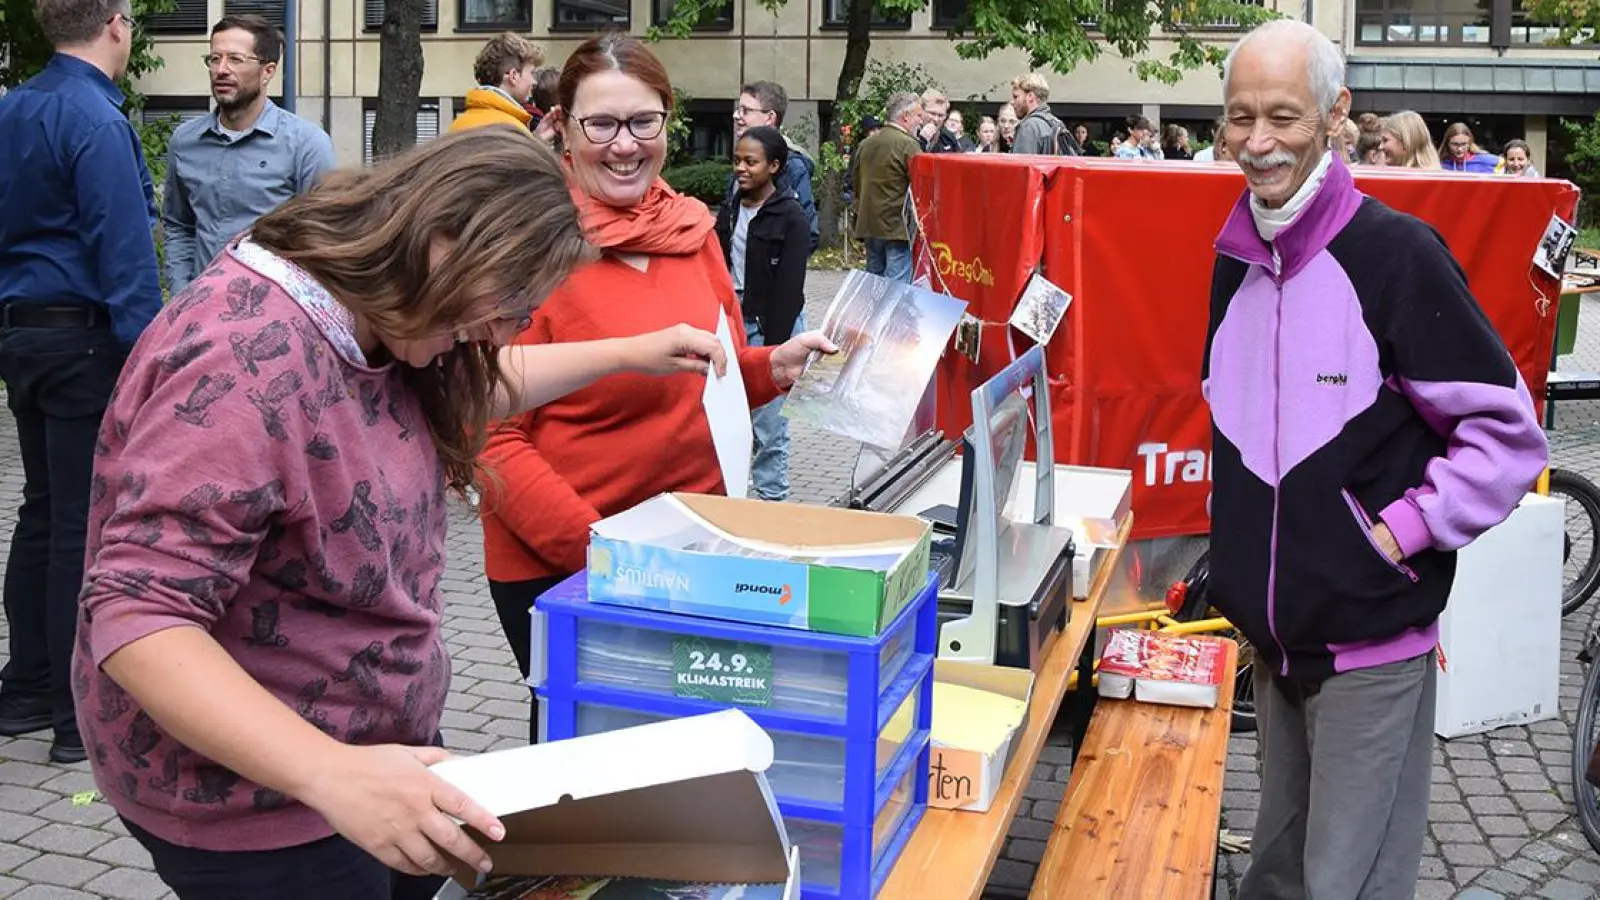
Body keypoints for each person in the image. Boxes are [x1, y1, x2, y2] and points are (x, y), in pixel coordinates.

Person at [73, 126, 731, 900]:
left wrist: (630, 352)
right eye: (504, 306)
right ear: (443, 242)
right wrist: (333, 774)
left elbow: (450, 388)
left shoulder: (381, 307)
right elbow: (138, 615)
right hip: (262, 800)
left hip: (369, 754)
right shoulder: (245, 353)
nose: (497, 336)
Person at [1206, 20, 1546, 900]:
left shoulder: (1396, 255)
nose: (1256, 140)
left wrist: (1399, 532)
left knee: (1347, 884)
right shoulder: (1234, 260)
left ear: (1333, 116)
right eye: (1239, 116)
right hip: (1275, 645)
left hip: (1372, 642)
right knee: (1276, 873)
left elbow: (1507, 435)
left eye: (1281, 115)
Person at [476, 35, 834, 740]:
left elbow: (711, 371)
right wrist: (602, 552)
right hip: (568, 563)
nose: (624, 145)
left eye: (644, 122)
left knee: (687, 762)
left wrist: (770, 368)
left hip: (689, 553)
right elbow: (489, 433)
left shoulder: (692, 229)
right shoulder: (524, 244)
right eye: (600, 124)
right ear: (561, 128)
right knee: (592, 779)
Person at [0, 0, 162, 764]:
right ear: (117, 24)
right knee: (78, 526)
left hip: (25, 335)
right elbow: (124, 251)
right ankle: (75, 719)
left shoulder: (16, 107)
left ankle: (25, 688)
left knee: (40, 513)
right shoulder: (96, 120)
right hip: (84, 344)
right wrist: (151, 363)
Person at [164, 14, 337, 293]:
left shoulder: (307, 144)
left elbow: (323, 239)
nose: (221, 69)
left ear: (268, 71)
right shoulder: (185, 142)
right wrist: (181, 293)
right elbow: (179, 225)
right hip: (201, 310)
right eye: (214, 58)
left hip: (274, 314)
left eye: (235, 59)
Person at [715, 126, 811, 503]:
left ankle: (773, 502)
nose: (741, 168)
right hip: (732, 320)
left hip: (770, 322)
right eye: (737, 160)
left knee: (770, 426)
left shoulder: (791, 216)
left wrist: (775, 347)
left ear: (773, 166)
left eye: (750, 162)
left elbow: (790, 288)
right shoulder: (732, 205)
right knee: (731, 419)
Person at [724, 80, 818, 253]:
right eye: (738, 109)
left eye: (746, 110)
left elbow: (807, 235)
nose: (736, 116)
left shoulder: (792, 167)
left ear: (770, 118)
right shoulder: (740, 165)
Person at [852, 91, 922, 284]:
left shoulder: (866, 144)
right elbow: (921, 189)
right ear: (906, 116)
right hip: (897, 228)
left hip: (870, 225)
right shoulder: (908, 145)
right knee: (895, 289)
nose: (920, 121)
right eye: (918, 115)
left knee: (874, 286)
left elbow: (856, 184)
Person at [448, 32, 544, 133]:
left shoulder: (459, 124)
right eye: (531, 73)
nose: (534, 81)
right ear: (513, 76)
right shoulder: (511, 130)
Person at [1009, 73, 1075, 155]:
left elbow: (1021, 166)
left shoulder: (1029, 127)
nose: (1011, 102)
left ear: (1030, 96)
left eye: (1015, 97)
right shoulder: (1056, 124)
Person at [1438, 121, 1503, 173]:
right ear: (1447, 143)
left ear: (1470, 143)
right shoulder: (1439, 163)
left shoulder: (1487, 160)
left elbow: (1504, 162)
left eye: (1463, 144)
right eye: (1455, 144)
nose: (1459, 149)